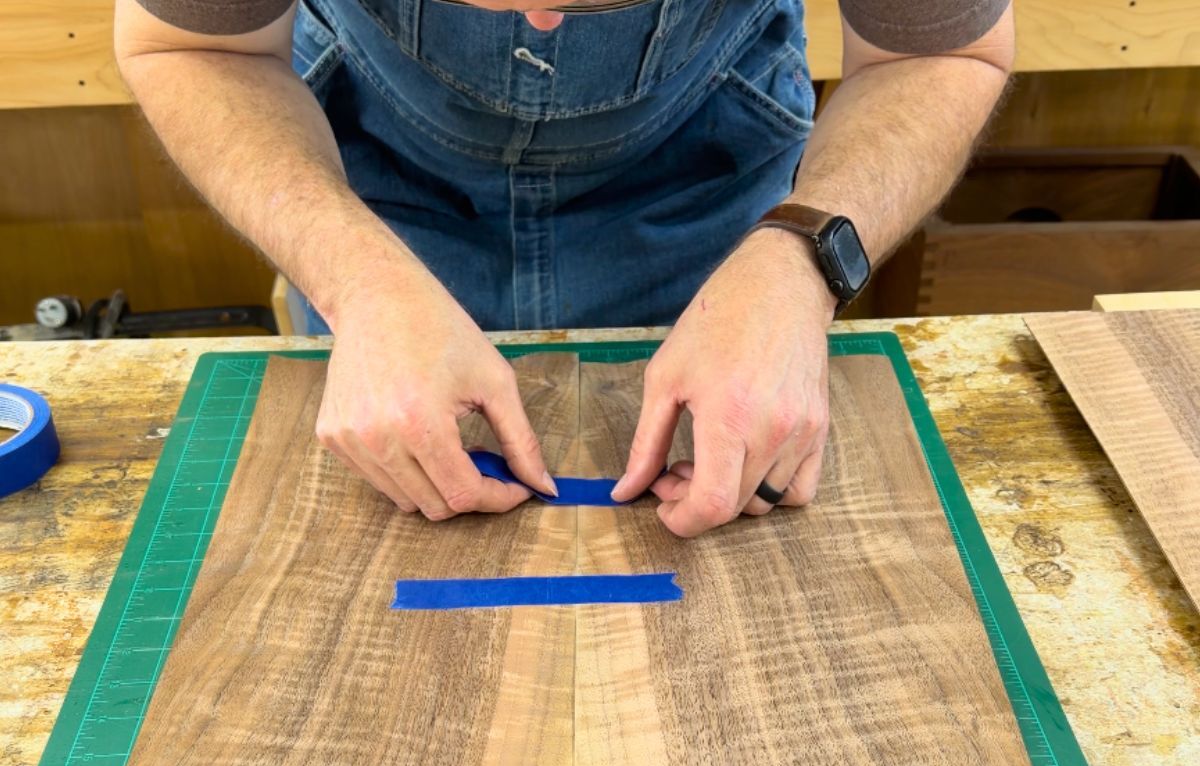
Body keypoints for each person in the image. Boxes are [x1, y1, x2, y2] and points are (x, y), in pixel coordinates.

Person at [114, 0, 1014, 536]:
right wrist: (355, 280)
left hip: (716, 211)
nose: (540, 25)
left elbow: (936, 50)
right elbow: (194, 44)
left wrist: (801, 261)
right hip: (366, 198)